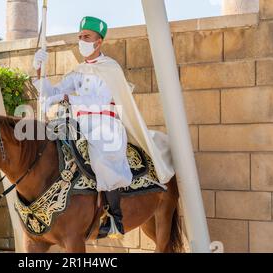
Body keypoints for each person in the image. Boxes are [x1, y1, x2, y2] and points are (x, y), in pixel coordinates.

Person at [33, 16, 175, 239]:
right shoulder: (78, 70)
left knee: (102, 155)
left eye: (86, 37)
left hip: (104, 123)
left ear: (98, 42)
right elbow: (51, 92)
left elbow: (100, 101)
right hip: (77, 122)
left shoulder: (111, 68)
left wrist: (67, 97)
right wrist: (40, 73)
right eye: (80, 37)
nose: (82, 40)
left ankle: (114, 216)